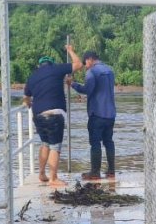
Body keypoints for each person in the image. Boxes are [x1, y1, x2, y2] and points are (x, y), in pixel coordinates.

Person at [23, 44, 82, 187]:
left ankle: (42, 173)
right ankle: (53, 178)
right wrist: (70, 50)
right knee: (55, 146)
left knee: (45, 144)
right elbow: (79, 64)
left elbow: (26, 99)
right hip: (54, 114)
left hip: (38, 115)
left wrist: (30, 104)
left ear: (39, 66)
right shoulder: (57, 69)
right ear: (51, 63)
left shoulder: (32, 77)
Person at [66, 51, 117, 180]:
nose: (85, 66)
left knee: (95, 143)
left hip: (97, 113)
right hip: (110, 113)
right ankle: (111, 170)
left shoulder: (92, 72)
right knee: (109, 141)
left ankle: (95, 172)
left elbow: (87, 90)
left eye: (85, 63)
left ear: (89, 60)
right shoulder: (109, 70)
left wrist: (72, 84)